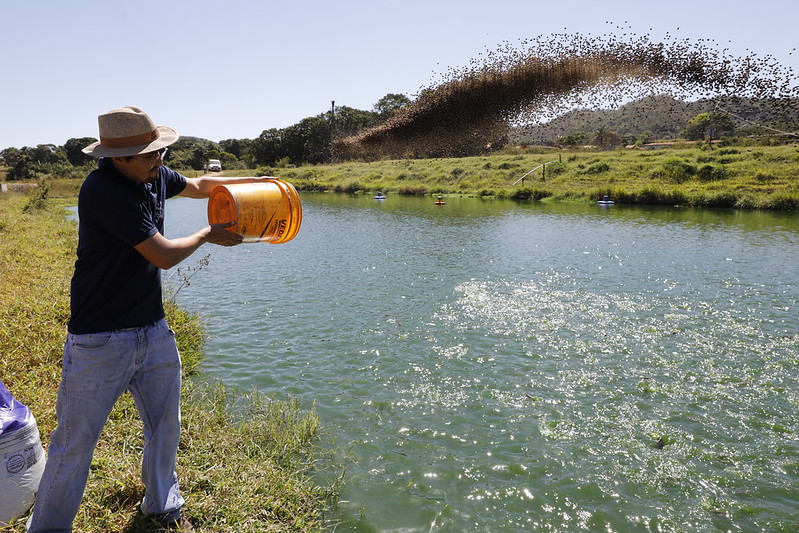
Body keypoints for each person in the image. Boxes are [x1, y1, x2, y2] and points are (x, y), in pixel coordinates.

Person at [27, 106, 274, 532]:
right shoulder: (104, 190)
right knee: (75, 443)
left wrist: (254, 186)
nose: (159, 161)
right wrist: (207, 233)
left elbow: (199, 185)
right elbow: (162, 255)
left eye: (159, 152)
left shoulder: (152, 172)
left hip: (152, 328)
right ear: (117, 158)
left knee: (165, 425)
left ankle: (161, 504)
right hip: (100, 338)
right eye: (148, 155)